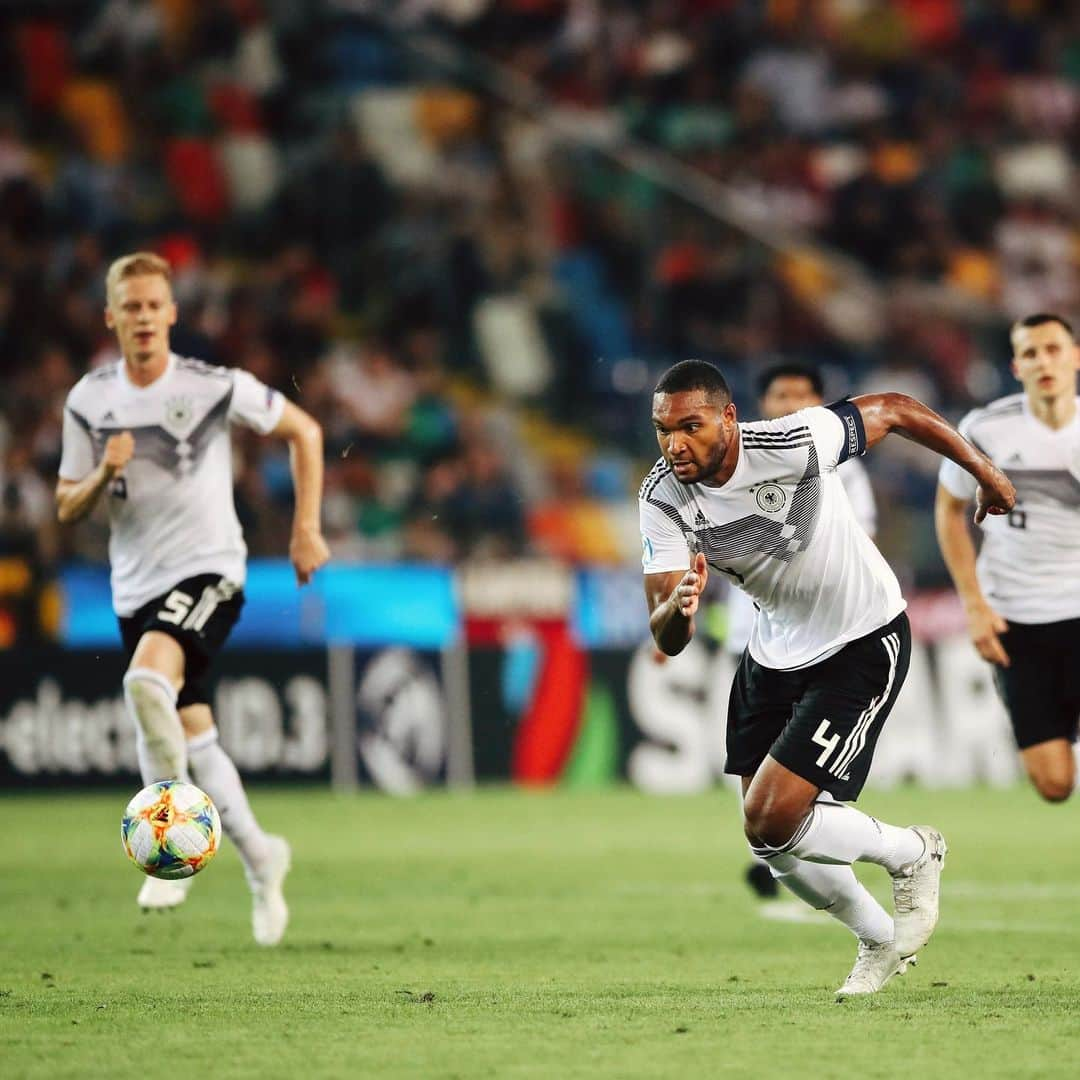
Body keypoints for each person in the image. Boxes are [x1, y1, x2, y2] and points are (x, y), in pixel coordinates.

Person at [639, 359, 1014, 998]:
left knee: (771, 815)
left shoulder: (793, 442)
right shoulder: (662, 499)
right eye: (663, 429)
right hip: (774, 650)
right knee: (772, 846)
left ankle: (913, 852)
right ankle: (878, 940)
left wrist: (985, 470)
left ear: (728, 418)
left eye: (690, 426)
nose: (675, 444)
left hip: (860, 637)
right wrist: (677, 611)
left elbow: (894, 407)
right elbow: (667, 638)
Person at [56, 252, 330, 945]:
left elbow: (306, 431)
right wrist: (102, 475)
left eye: (156, 305)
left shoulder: (212, 386)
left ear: (172, 314)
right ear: (111, 316)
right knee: (197, 737)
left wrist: (305, 529)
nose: (144, 318)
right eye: (132, 307)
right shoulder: (88, 402)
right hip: (135, 588)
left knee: (147, 682)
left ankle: (169, 853)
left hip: (210, 572)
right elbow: (66, 505)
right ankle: (264, 861)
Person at [729, 363, 878, 901]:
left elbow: (856, 541)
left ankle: (882, 859)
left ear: (821, 405)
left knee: (800, 780)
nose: (790, 403)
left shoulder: (841, 467)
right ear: (757, 404)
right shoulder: (732, 465)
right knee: (758, 785)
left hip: (831, 640)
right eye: (779, 394)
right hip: (760, 642)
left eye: (802, 395)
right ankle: (782, 862)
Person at [936, 313, 1080, 803]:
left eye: (1054, 349)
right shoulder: (986, 430)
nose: (1045, 361)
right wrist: (974, 606)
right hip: (1015, 617)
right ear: (1016, 366)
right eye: (1031, 353)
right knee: (1054, 784)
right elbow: (949, 511)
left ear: (1075, 357)